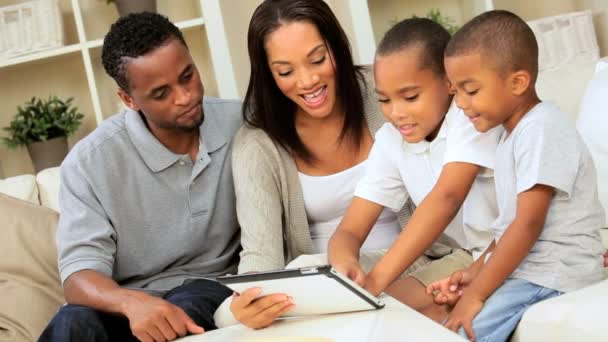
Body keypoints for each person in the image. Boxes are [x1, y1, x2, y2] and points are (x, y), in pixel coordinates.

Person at [224, 0, 435, 330]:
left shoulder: (385, 94)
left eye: (317, 59)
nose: (307, 81)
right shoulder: (257, 144)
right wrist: (249, 298)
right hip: (323, 290)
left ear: (336, 46)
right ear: (268, 74)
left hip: (418, 265)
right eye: (286, 71)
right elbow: (260, 254)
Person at [39, 13, 242, 342]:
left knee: (187, 307)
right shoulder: (89, 162)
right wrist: (132, 303)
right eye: (161, 93)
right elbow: (79, 276)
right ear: (128, 100)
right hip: (127, 305)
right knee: (71, 323)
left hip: (210, 291)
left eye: (187, 75)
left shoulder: (241, 123)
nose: (185, 96)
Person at [432, 10, 605, 341]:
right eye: (456, 92)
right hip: (531, 270)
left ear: (517, 82)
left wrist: (476, 294)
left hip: (554, 273)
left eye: (470, 90)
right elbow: (508, 229)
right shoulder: (510, 136)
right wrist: (473, 273)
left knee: (460, 332)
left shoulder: (541, 130)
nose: (461, 104)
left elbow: (527, 225)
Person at [327, 18, 497, 323]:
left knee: (397, 310)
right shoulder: (391, 139)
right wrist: (344, 261)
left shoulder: (469, 115)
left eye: (410, 97)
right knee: (388, 309)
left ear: (449, 82)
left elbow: (446, 197)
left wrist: (375, 281)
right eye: (384, 100)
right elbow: (350, 229)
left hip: (509, 247)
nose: (396, 113)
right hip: (466, 255)